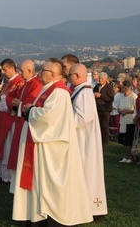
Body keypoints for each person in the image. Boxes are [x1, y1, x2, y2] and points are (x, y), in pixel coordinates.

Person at [12, 58, 93, 226]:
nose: (41, 73)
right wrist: (28, 109)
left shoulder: (59, 92)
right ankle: (36, 215)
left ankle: (51, 217)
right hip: (40, 143)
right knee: (38, 182)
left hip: (51, 147)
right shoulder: (47, 89)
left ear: (54, 75)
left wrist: (30, 110)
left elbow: (49, 118)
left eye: (45, 71)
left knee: (49, 184)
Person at [69, 63, 108, 218]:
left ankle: (90, 208)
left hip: (84, 140)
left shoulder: (84, 93)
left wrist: (63, 119)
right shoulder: (81, 91)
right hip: (82, 137)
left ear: (77, 76)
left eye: (70, 75)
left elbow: (82, 118)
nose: (68, 77)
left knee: (87, 171)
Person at [8, 59, 42, 192]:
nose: (20, 73)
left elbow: (32, 103)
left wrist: (19, 104)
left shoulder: (35, 84)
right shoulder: (26, 84)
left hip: (26, 121)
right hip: (20, 121)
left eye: (22, 71)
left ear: (29, 70)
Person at [0, 58, 24, 182]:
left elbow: (16, 101)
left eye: (5, 70)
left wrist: (3, 98)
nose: (3, 72)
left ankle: (9, 175)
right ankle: (2, 174)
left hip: (11, 120)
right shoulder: (7, 82)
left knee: (9, 146)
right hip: (2, 118)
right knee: (3, 144)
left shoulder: (19, 82)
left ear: (12, 68)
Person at [118, 80, 138, 163]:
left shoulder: (133, 96)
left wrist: (127, 111)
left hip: (131, 120)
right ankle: (128, 156)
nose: (124, 89)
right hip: (123, 120)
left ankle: (131, 157)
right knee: (125, 139)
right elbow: (118, 107)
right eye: (123, 87)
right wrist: (120, 111)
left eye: (125, 87)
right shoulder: (121, 96)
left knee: (130, 139)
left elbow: (135, 109)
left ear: (129, 87)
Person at [93, 72, 114, 147]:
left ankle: (106, 141)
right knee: (98, 125)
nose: (100, 80)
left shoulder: (109, 87)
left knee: (105, 125)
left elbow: (111, 98)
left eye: (101, 78)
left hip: (105, 110)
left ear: (105, 79)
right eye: (99, 78)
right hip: (98, 109)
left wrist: (101, 96)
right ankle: (100, 140)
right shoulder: (97, 86)